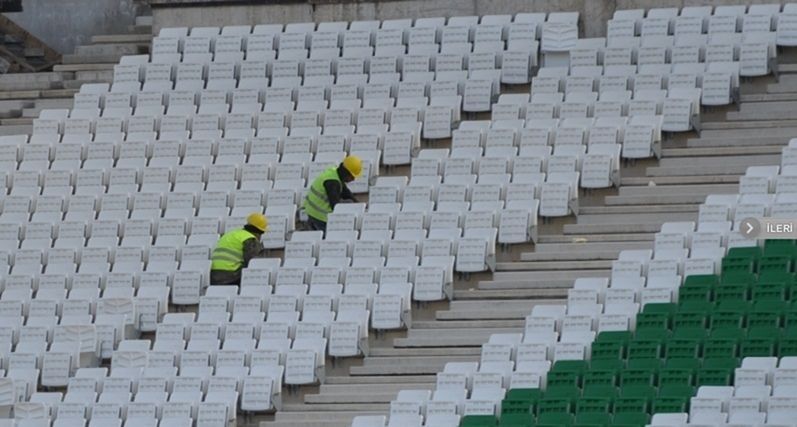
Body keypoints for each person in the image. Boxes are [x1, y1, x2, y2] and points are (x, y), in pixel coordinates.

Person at [302, 155, 362, 231]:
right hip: (319, 217)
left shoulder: (335, 173)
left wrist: (358, 204)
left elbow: (345, 192)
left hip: (312, 211)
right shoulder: (332, 183)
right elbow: (336, 206)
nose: (353, 179)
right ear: (346, 173)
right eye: (352, 177)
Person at [210, 212, 269, 285]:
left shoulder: (231, 234)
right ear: (259, 232)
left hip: (213, 276)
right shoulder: (249, 239)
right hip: (230, 276)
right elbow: (253, 263)